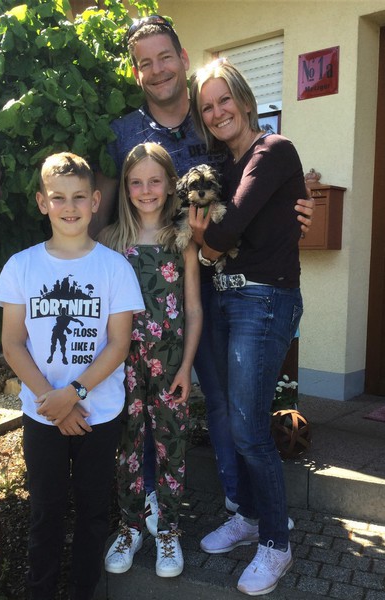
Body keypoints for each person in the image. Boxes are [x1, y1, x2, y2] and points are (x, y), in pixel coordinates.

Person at [95, 14, 314, 533]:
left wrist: (295, 207)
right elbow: (103, 218)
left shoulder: (210, 121)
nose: (157, 70)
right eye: (145, 63)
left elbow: (254, 183)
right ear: (136, 72)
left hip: (217, 289)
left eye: (165, 57)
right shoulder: (122, 134)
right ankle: (147, 504)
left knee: (221, 401)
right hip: (146, 297)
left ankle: (241, 506)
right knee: (141, 400)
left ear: (183, 59)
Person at [0, 152, 145, 600]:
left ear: (95, 201)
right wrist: (53, 401)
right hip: (43, 414)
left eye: (79, 197)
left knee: (95, 512)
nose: (69, 206)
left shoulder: (114, 267)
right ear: (42, 203)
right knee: (46, 512)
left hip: (99, 413)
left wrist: (73, 393)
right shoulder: (21, 266)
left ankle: (83, 591)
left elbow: (118, 344)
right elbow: (12, 343)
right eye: (58, 197)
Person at [188, 58, 306, 596]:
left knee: (251, 430)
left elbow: (223, 232)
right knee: (237, 425)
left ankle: (276, 543)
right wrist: (209, 247)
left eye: (224, 100)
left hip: (264, 300)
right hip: (227, 300)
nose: (217, 113)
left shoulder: (272, 150)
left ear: (245, 98)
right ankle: (253, 518)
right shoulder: (224, 166)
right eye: (207, 107)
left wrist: (207, 242)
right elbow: (215, 239)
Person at [100, 142, 202, 578]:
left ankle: (168, 531)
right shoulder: (109, 241)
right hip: (120, 365)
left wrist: (186, 367)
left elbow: (193, 308)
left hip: (171, 365)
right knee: (126, 447)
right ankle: (130, 527)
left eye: (154, 181)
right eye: (136, 182)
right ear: (126, 187)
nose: (145, 190)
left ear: (171, 185)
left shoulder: (182, 240)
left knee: (171, 446)